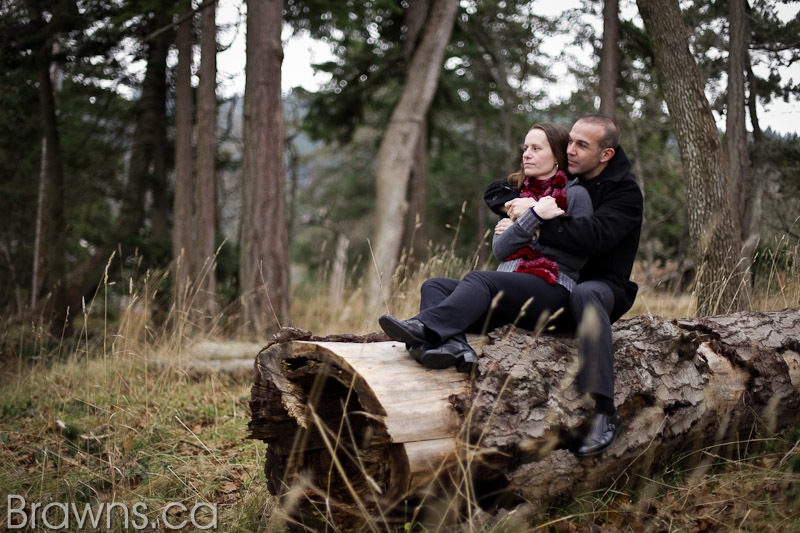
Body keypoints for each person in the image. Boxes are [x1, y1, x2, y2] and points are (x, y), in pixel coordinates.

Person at [485, 114, 643, 457]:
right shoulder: (570, 171)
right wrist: (516, 207)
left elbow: (592, 239)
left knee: (587, 293)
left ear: (606, 155)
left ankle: (605, 411)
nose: (570, 150)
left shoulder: (625, 194)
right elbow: (498, 189)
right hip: (557, 281)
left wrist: (535, 223)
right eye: (569, 140)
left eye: (581, 145)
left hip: (602, 285)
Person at [379, 123, 593, 376]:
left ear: (557, 156)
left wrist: (526, 224)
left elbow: (576, 254)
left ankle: (424, 329)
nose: (526, 154)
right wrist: (533, 215)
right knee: (434, 285)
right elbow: (501, 250)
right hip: (511, 293)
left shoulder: (576, 195)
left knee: (479, 278)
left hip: (553, 293)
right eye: (525, 148)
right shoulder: (518, 197)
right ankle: (456, 347)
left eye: (536, 148)